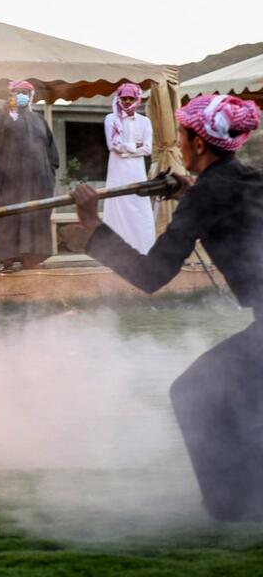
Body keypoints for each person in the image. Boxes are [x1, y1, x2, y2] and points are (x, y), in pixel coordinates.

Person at [71, 94, 263, 521]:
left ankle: (233, 507)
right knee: (240, 398)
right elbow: (228, 204)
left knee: (192, 393)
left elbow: (150, 275)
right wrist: (190, 191)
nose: (177, 143)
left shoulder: (206, 196)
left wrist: (93, 224)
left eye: (181, 136)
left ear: (198, 144)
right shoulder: (251, 180)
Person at [0, 80, 60, 272]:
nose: (22, 96)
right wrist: (6, 113)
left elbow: (51, 150)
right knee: (9, 216)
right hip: (9, 179)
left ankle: (32, 258)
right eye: (18, 92)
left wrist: (49, 173)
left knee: (35, 215)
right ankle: (8, 260)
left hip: (37, 180)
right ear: (11, 95)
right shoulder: (5, 116)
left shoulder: (39, 120)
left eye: (26, 93)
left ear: (31, 96)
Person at [103, 82, 156, 253]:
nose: (126, 101)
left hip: (136, 170)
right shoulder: (111, 119)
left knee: (138, 205)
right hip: (117, 169)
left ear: (137, 99)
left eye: (130, 98)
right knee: (117, 203)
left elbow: (147, 149)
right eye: (123, 98)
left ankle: (142, 248)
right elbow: (112, 145)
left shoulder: (144, 121)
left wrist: (126, 149)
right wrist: (135, 147)